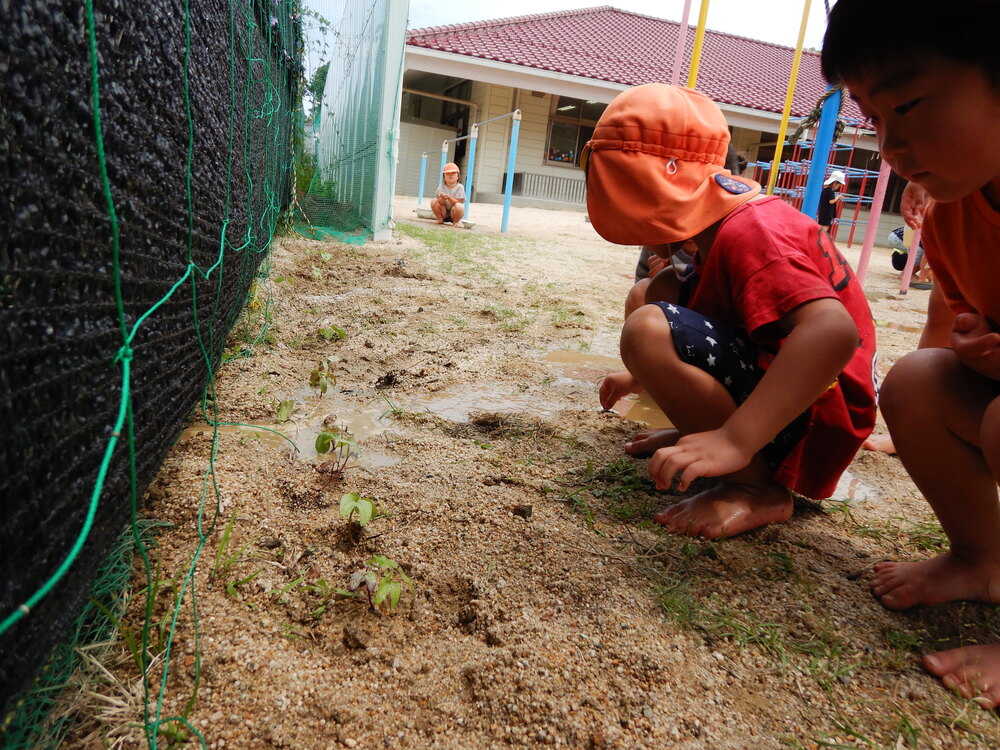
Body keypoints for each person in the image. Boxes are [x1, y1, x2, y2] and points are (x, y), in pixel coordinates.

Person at [587, 83, 877, 539]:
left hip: (814, 408)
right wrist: (645, 381)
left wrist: (734, 439)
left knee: (649, 326)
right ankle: (707, 431)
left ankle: (756, 487)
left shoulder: (752, 231)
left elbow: (832, 332)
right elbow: (726, 322)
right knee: (657, 289)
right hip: (787, 389)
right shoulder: (717, 229)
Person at [823, 0, 1000, 708]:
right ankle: (981, 559)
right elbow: (969, 321)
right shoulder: (955, 212)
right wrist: (975, 344)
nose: (890, 144)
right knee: (918, 381)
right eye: (874, 116)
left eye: (912, 103)